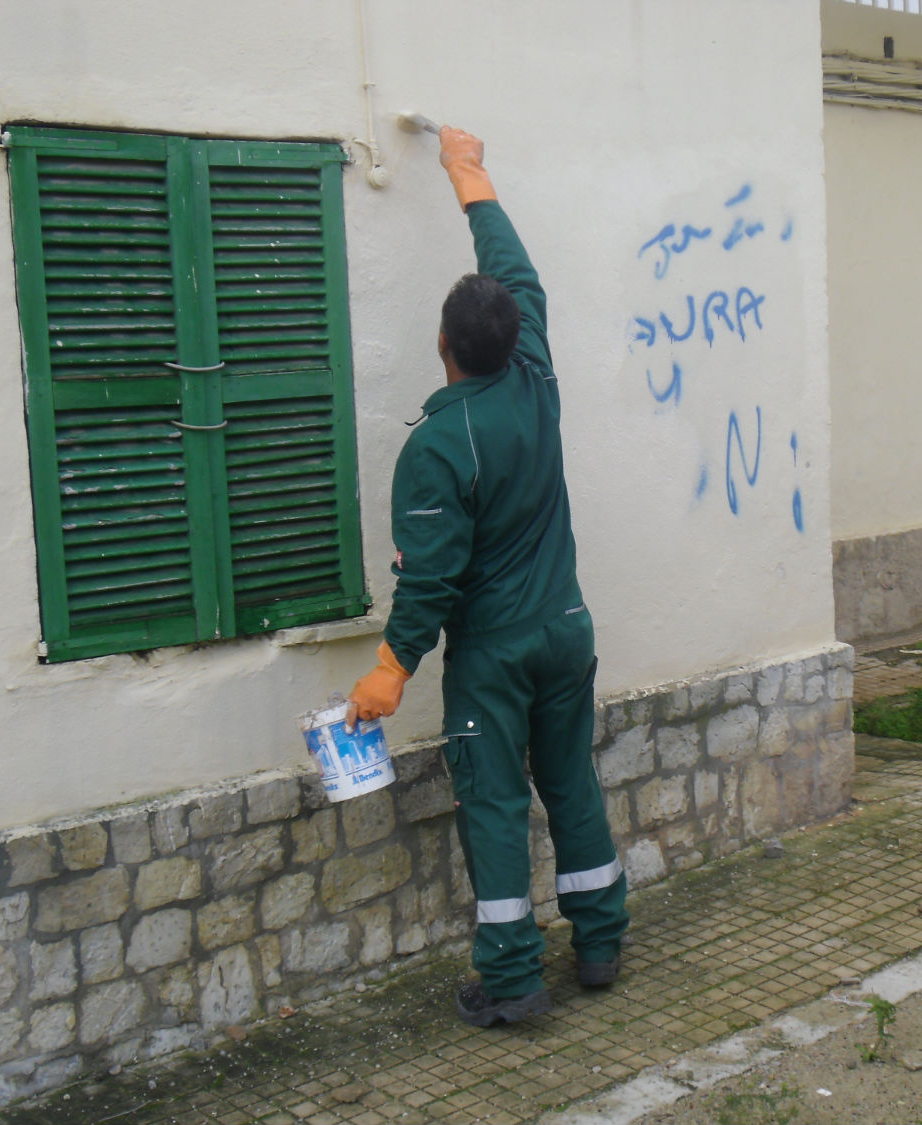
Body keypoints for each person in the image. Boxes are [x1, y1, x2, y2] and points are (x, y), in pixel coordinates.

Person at [346, 126, 628, 1027]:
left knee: (498, 807)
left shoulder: (437, 446)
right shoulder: (536, 372)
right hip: (565, 628)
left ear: (443, 342)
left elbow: (429, 582)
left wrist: (392, 667)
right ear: (510, 335)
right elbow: (523, 275)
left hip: (497, 657)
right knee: (571, 781)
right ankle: (600, 940)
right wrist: (469, 174)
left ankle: (510, 982)